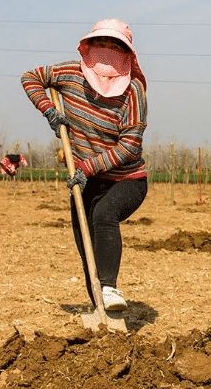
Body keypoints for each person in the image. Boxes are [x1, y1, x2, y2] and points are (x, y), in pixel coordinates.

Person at [19, 19, 148, 311]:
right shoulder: (69, 73)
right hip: (86, 180)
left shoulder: (133, 91)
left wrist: (88, 167)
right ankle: (99, 306)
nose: (107, 50)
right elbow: (31, 77)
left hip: (126, 179)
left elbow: (130, 146)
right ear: (89, 47)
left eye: (115, 46)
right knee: (84, 238)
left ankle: (110, 289)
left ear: (126, 54)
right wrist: (50, 111)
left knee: (104, 214)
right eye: (101, 44)